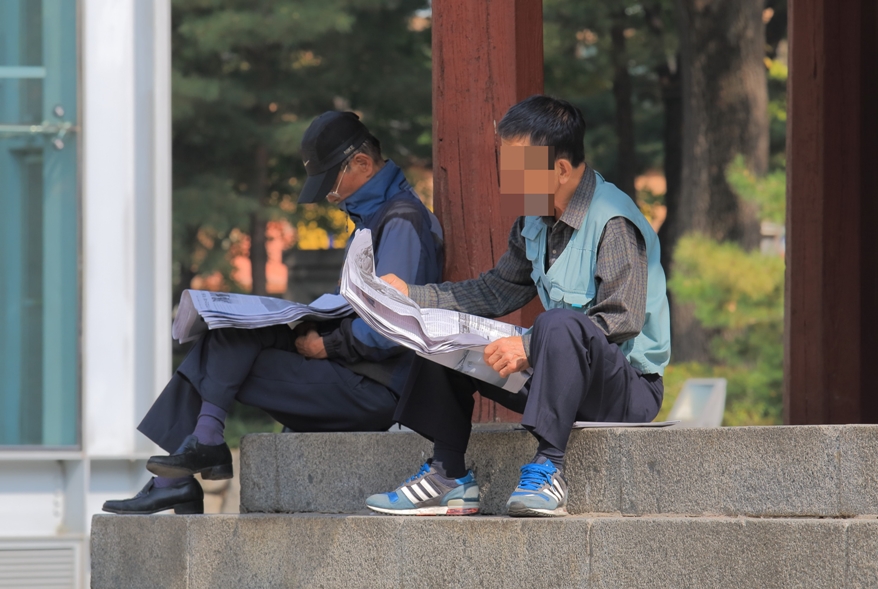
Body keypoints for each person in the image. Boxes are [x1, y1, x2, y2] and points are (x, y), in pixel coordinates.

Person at [103, 111, 444, 515]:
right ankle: (195, 453)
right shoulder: (374, 218)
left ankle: (180, 473)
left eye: (331, 184)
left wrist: (329, 345)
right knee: (229, 329)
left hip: (378, 390)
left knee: (222, 362)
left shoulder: (401, 221)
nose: (329, 197)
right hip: (356, 371)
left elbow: (393, 327)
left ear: (363, 164)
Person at [365, 95, 670, 517]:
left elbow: (621, 319)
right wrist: (411, 297)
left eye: (519, 169)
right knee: (441, 329)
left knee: (558, 324)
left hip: (625, 390)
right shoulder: (533, 217)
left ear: (560, 169)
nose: (508, 181)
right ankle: (447, 475)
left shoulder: (613, 220)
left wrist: (528, 346)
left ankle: (548, 469)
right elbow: (495, 291)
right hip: (558, 377)